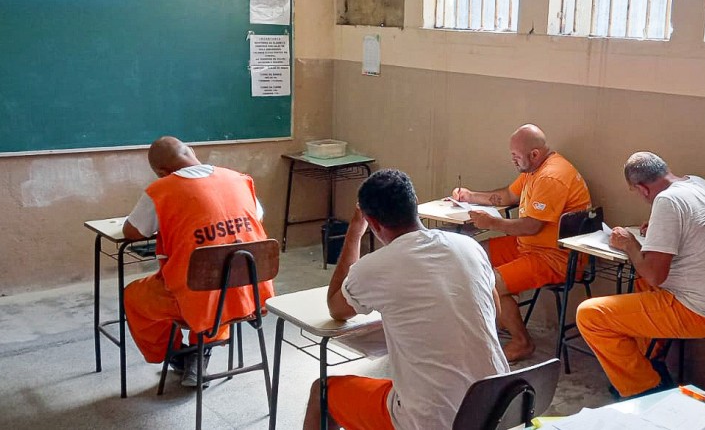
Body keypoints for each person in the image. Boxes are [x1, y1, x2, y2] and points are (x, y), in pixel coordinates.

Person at [303, 169, 509, 430]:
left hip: (432, 420)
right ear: (415, 204)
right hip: (498, 407)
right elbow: (495, 314)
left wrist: (354, 231)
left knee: (322, 393)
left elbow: (336, 308)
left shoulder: (375, 267)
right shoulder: (470, 247)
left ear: (372, 222)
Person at [122, 136, 274, 387]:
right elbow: (257, 216)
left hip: (194, 298)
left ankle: (177, 354)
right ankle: (200, 352)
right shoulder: (238, 179)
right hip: (249, 293)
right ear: (192, 151)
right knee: (217, 282)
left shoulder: (162, 190)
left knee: (135, 296)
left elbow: (132, 231)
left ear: (161, 172)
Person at [576, 152, 705, 398]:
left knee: (590, 315)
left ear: (642, 188)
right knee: (641, 282)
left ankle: (646, 390)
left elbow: (655, 276)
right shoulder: (696, 183)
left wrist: (630, 244)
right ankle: (650, 361)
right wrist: (658, 229)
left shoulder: (666, 201)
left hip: (701, 310)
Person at [451, 123, 591, 361]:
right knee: (472, 254)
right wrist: (470, 196)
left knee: (488, 282)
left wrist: (491, 223)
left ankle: (521, 342)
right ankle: (502, 316)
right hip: (528, 245)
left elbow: (531, 226)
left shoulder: (551, 176)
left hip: (554, 257)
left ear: (534, 154)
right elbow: (508, 195)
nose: (513, 160)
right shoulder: (534, 169)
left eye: (516, 155)